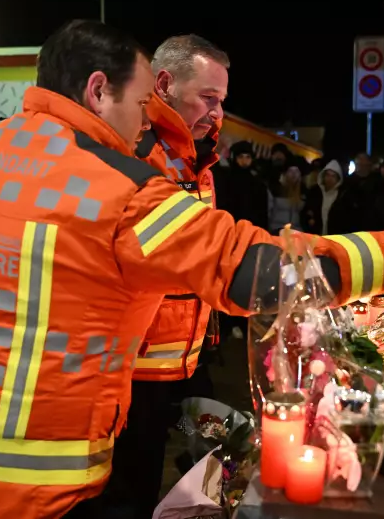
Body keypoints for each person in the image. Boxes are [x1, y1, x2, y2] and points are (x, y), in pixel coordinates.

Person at [0, 19, 384, 519]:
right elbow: (262, 273)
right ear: (97, 90)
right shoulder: (115, 190)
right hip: (33, 487)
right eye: (140, 107)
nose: (143, 125)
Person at [119, 33, 229, 517]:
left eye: (222, 101)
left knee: (205, 470)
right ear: (164, 83)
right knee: (133, 485)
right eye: (208, 97)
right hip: (139, 367)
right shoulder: (137, 152)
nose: (217, 112)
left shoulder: (197, 157)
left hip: (188, 352)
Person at [303, 159, 344, 235]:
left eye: (333, 176)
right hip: (315, 236)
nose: (330, 179)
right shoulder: (315, 192)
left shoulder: (342, 196)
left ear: (338, 178)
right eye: (328, 175)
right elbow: (307, 210)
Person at [268, 161, 306, 234]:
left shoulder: (304, 193)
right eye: (290, 171)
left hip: (296, 232)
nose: (293, 174)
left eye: (296, 171)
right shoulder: (276, 190)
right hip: (276, 230)